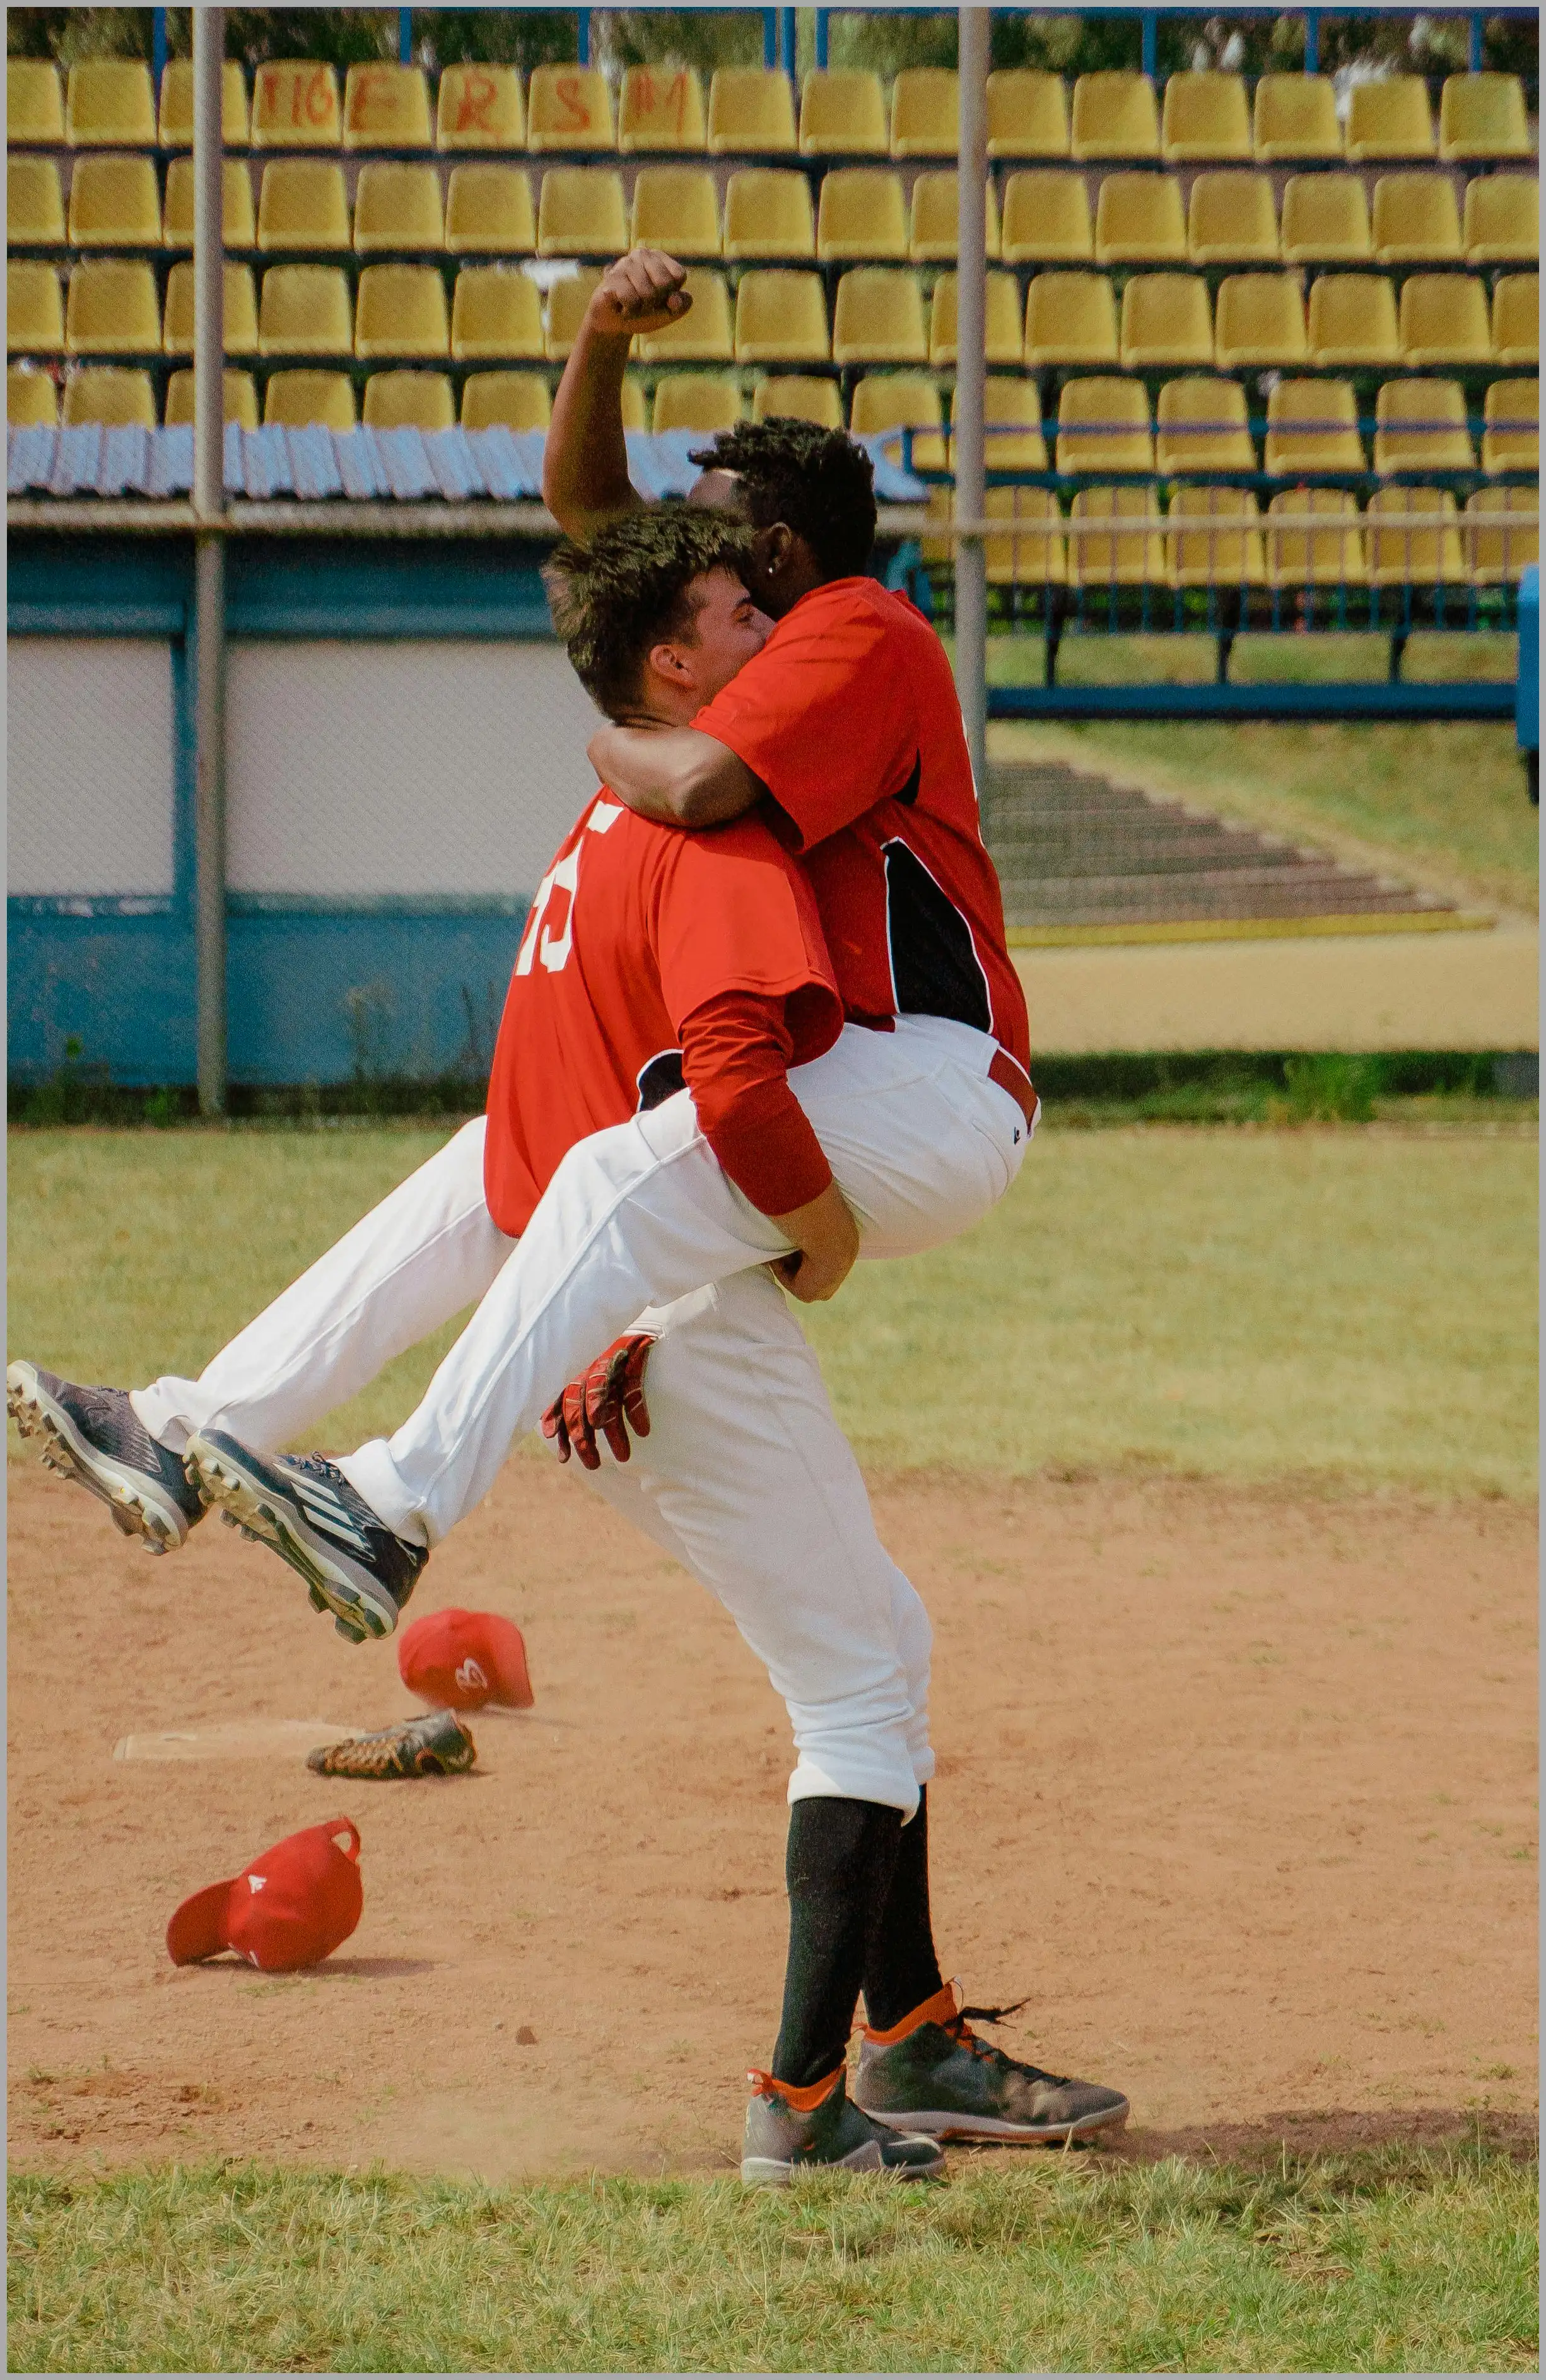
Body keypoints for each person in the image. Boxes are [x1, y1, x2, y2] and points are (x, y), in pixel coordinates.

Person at [13, 381, 1128, 2179]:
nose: (743, 592)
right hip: (716, 1266)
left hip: (739, 1231)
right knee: (861, 1670)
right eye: (720, 601)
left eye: (742, 549)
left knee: (522, 1191)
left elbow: (532, 1161)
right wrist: (801, 1237)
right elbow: (713, 1083)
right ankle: (808, 2090)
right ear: (694, 649)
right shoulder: (712, 814)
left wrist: (617, 705)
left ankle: (206, 1426)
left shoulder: (796, 684)